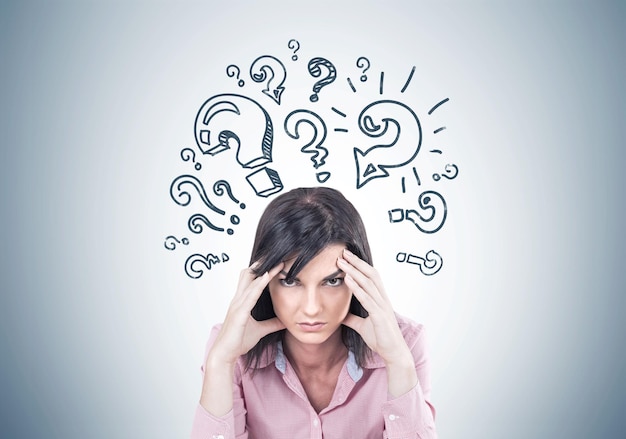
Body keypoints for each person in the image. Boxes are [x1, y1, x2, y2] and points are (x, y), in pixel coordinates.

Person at [191, 187, 437, 439]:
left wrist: (398, 359)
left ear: (360, 277)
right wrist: (220, 362)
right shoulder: (229, 348)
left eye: (332, 282)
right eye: (290, 282)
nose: (311, 308)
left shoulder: (405, 343)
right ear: (263, 282)